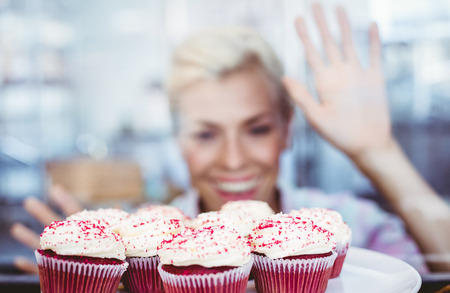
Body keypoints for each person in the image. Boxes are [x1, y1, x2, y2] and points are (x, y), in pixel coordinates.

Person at [10, 3, 449, 273]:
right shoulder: (138, 243)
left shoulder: (351, 225)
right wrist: (86, 272)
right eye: (205, 134)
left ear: (286, 129)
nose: (234, 159)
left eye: (257, 129)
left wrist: (380, 154)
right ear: (177, 141)